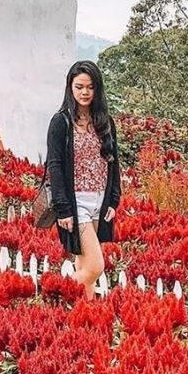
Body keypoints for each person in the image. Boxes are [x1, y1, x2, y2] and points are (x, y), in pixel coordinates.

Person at [45, 61, 120, 300]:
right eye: (79, 87)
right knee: (95, 267)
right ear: (70, 88)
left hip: (99, 200)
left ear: (97, 89)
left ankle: (85, 317)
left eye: (90, 87)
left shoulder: (105, 122)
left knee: (83, 265)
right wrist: (63, 208)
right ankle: (54, 297)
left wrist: (113, 200)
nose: (84, 93)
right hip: (76, 203)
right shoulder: (61, 122)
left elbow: (113, 162)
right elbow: (54, 166)